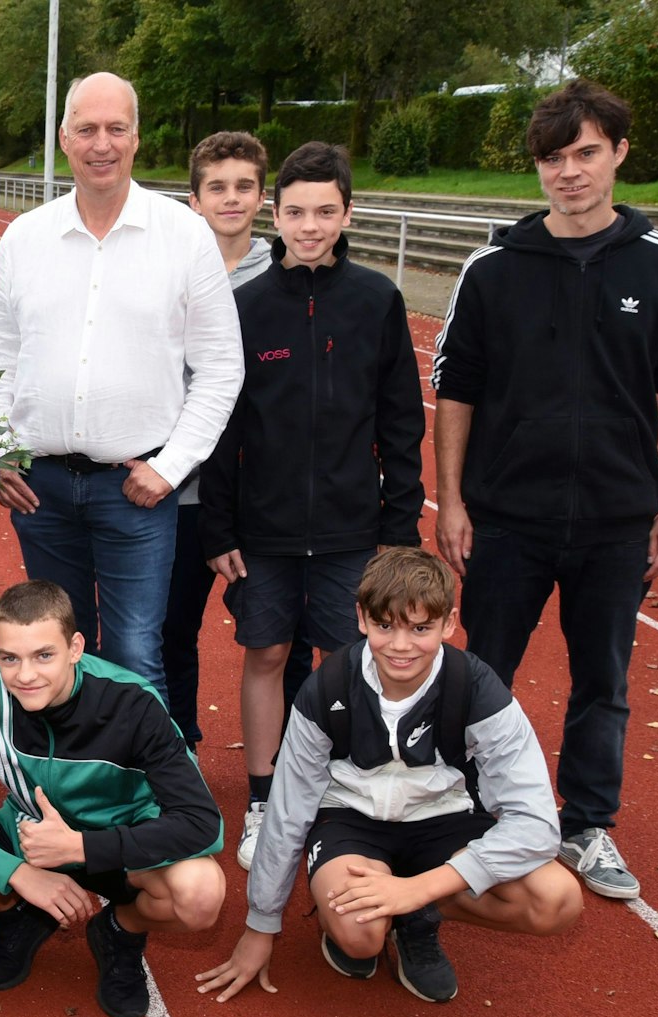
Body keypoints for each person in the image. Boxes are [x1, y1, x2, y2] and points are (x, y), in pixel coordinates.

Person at [432, 79, 658, 901]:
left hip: (618, 519)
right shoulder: (492, 269)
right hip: (507, 517)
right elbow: (456, 389)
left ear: (619, 153)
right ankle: (474, 811)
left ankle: (586, 824)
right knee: (484, 674)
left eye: (586, 153)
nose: (570, 172)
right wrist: (449, 500)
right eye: (554, 158)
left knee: (604, 681)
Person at [195, 549, 582, 1005]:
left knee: (557, 899)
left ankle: (417, 917)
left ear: (449, 623)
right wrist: (261, 925)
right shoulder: (328, 687)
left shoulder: (477, 689)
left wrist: (417, 890)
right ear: (361, 618)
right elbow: (287, 810)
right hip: (353, 822)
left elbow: (537, 826)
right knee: (360, 935)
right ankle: (368, 912)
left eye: (420, 628)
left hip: (447, 821)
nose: (401, 645)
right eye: (385, 626)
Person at [202, 141, 426, 871]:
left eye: (325, 211)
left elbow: (399, 420)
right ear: (277, 213)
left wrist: (398, 529)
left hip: (351, 528)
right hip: (261, 530)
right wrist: (220, 524)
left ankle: (337, 786)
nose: (309, 225)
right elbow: (224, 423)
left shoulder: (376, 300)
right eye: (296, 211)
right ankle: (264, 794)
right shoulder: (246, 306)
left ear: (347, 213)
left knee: (351, 659)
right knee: (265, 652)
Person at [0, 72, 244, 695]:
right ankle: (71, 786)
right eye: (87, 129)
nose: (102, 143)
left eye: (115, 129)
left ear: (136, 137)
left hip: (137, 490)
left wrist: (172, 466)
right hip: (39, 489)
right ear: (63, 138)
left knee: (133, 654)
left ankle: (136, 793)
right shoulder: (24, 238)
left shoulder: (184, 235)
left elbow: (222, 365)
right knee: (53, 656)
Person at [0, 580, 225, 1017]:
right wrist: (17, 874)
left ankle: (121, 930)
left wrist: (83, 848)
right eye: (10, 658)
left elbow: (202, 823)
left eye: (44, 655)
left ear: (75, 647)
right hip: (31, 837)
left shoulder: (132, 703)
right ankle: (16, 909)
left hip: (123, 839)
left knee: (201, 894)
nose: (25, 675)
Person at [168, 130, 303, 751]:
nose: (231, 199)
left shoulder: (287, 272)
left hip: (267, 492)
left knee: (288, 638)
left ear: (262, 196)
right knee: (173, 628)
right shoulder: (170, 267)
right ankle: (180, 749)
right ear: (193, 199)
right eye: (216, 187)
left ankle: (299, 763)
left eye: (244, 186)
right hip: (189, 488)